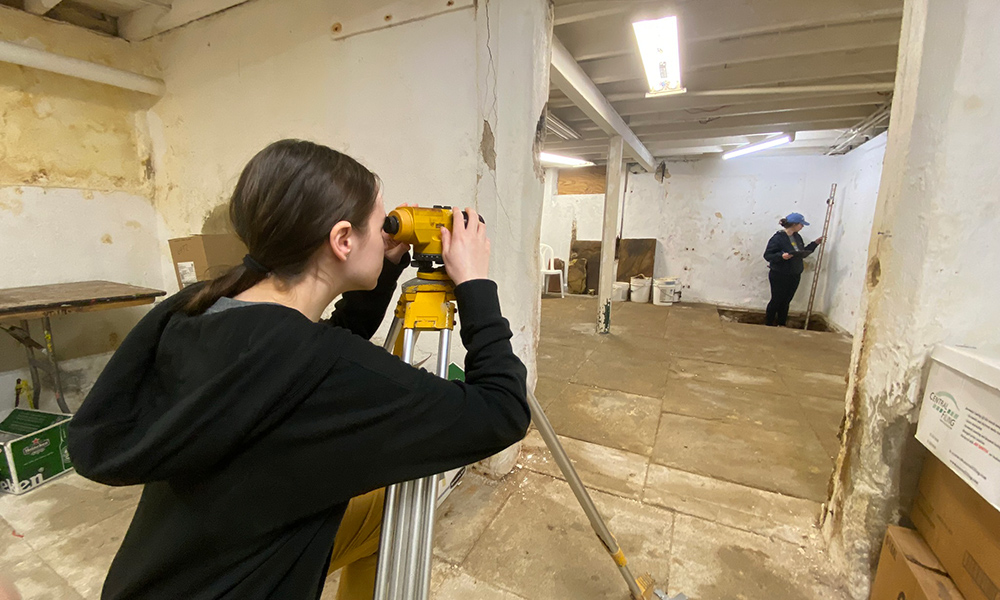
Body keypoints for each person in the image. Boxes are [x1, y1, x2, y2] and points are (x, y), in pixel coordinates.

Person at [67, 139, 530, 600]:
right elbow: (502, 410)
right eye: (380, 221)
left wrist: (381, 269)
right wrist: (475, 285)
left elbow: (320, 347)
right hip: (244, 585)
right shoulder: (319, 369)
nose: (389, 231)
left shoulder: (199, 310)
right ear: (342, 239)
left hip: (163, 573)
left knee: (381, 512)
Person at [762, 212, 825, 326]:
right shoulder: (778, 238)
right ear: (795, 224)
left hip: (794, 273)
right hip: (779, 273)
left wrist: (815, 243)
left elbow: (801, 252)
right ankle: (769, 324)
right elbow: (768, 255)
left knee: (786, 301)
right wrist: (781, 256)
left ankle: (781, 323)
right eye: (801, 224)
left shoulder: (797, 237)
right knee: (776, 300)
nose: (802, 227)